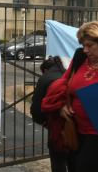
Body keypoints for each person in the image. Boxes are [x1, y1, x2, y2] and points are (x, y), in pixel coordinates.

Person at [42, 21, 98, 172]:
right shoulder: (80, 58)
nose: (85, 50)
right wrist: (62, 104)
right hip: (75, 131)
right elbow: (65, 83)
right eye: (83, 45)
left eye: (90, 45)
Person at [31, 56, 76, 172]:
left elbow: (36, 110)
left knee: (58, 161)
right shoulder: (74, 76)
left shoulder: (46, 78)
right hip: (77, 127)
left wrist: (45, 122)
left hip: (56, 128)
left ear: (46, 69)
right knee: (74, 160)